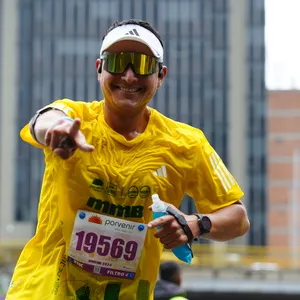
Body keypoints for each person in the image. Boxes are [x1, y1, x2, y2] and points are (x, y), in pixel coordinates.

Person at [6, 19, 250, 300]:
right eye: (118, 62)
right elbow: (45, 117)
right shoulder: (75, 120)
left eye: (143, 64)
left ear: (160, 76)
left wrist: (194, 224)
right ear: (99, 69)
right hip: (45, 291)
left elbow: (238, 218)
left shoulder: (186, 143)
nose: (129, 76)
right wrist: (55, 129)